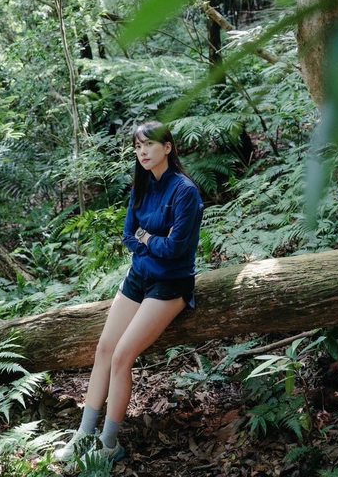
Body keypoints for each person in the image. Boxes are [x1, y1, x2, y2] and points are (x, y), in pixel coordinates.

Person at [54, 121, 204, 466]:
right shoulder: (142, 186)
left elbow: (177, 249)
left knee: (122, 355)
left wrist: (148, 239)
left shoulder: (185, 191)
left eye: (149, 144)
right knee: (104, 349)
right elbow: (128, 236)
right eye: (138, 147)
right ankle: (83, 435)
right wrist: (153, 241)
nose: (143, 152)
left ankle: (109, 444)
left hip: (170, 283)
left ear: (168, 147)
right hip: (139, 277)